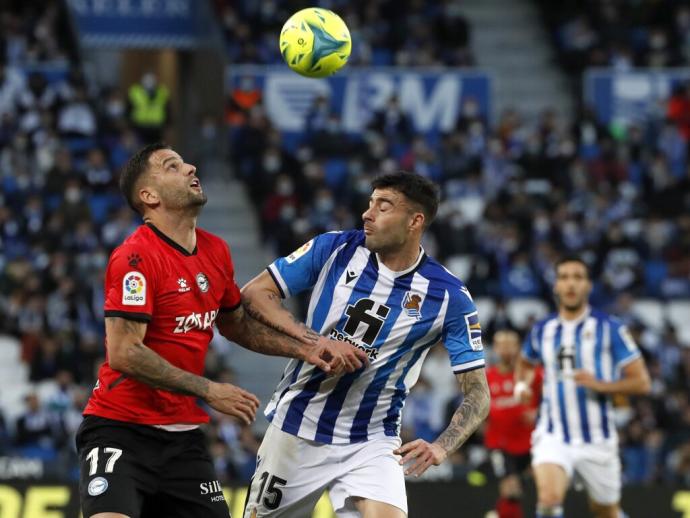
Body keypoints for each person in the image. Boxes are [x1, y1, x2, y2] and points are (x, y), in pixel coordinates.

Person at [77, 143, 367, 518]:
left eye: (185, 161)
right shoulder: (135, 257)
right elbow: (124, 352)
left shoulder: (215, 251)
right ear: (148, 196)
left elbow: (237, 325)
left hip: (183, 440)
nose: (190, 167)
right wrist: (209, 389)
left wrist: (304, 348)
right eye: (172, 166)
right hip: (119, 428)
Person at [240, 171, 491, 517]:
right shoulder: (334, 248)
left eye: (383, 207)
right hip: (297, 426)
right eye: (370, 203)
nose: (367, 214)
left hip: (372, 439)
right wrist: (314, 343)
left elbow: (478, 392)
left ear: (415, 221)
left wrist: (442, 447)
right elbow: (254, 293)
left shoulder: (449, 296)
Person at [514, 256, 651, 518]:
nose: (571, 284)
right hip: (553, 433)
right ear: (556, 286)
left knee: (605, 510)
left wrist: (602, 385)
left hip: (597, 439)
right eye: (564, 277)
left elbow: (642, 382)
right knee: (548, 499)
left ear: (588, 285)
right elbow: (526, 361)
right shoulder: (543, 329)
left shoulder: (610, 328)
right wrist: (522, 384)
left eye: (578, 277)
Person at [484, 329, 542, 518]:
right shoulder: (487, 377)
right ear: (495, 348)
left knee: (523, 491)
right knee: (511, 488)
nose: (506, 350)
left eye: (511, 345)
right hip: (499, 443)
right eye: (502, 345)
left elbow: (553, 399)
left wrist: (537, 412)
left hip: (529, 444)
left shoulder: (532, 375)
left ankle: (497, 514)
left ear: (518, 348)